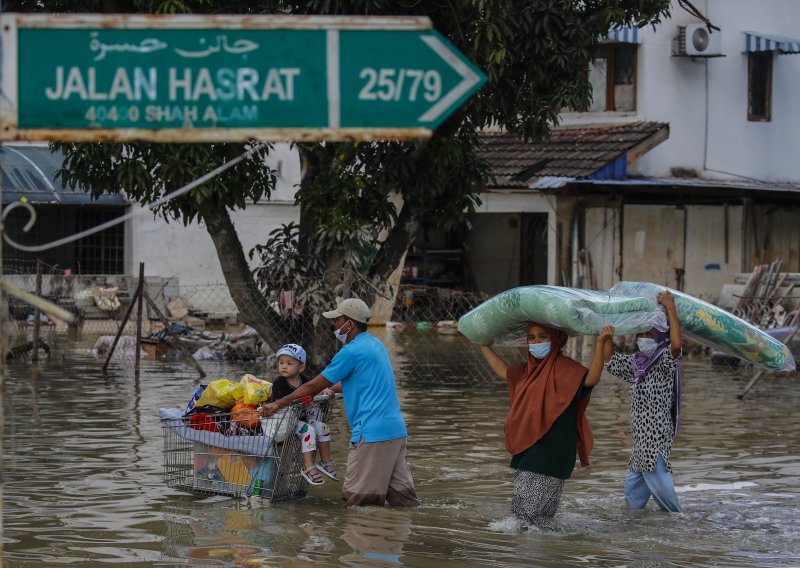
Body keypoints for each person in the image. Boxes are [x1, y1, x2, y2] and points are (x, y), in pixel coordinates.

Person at [260, 298, 418, 508]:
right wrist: (331, 389)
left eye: (337, 320)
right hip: (395, 432)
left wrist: (277, 404)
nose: (333, 325)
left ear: (349, 324)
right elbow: (358, 382)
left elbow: (312, 386)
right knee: (404, 504)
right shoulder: (375, 345)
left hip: (371, 435)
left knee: (356, 504)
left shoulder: (350, 352)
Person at [479, 323, 605, 530]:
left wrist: (601, 344)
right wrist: (483, 345)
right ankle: (548, 554)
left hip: (551, 455)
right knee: (530, 520)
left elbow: (591, 378)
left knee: (528, 521)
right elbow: (504, 371)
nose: (536, 342)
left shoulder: (567, 369)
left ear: (555, 339)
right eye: (531, 338)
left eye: (543, 337)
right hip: (527, 454)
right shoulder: (527, 372)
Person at [598, 290, 684, 513]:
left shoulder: (664, 363)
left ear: (659, 337)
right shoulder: (636, 365)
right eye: (641, 334)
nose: (645, 339)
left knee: (669, 505)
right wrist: (607, 338)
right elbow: (610, 361)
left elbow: (676, 346)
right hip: (639, 446)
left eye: (650, 335)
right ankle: (633, 533)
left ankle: (683, 530)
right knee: (632, 502)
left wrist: (670, 308)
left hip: (654, 444)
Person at [270, 343, 338, 485]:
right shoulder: (279, 383)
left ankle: (325, 462)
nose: (284, 366)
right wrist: (301, 402)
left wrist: (324, 391)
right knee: (309, 431)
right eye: (281, 363)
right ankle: (308, 467)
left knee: (323, 428)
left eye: (289, 363)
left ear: (301, 367)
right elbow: (280, 403)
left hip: (300, 420)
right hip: (286, 422)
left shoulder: (304, 381)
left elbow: (313, 390)